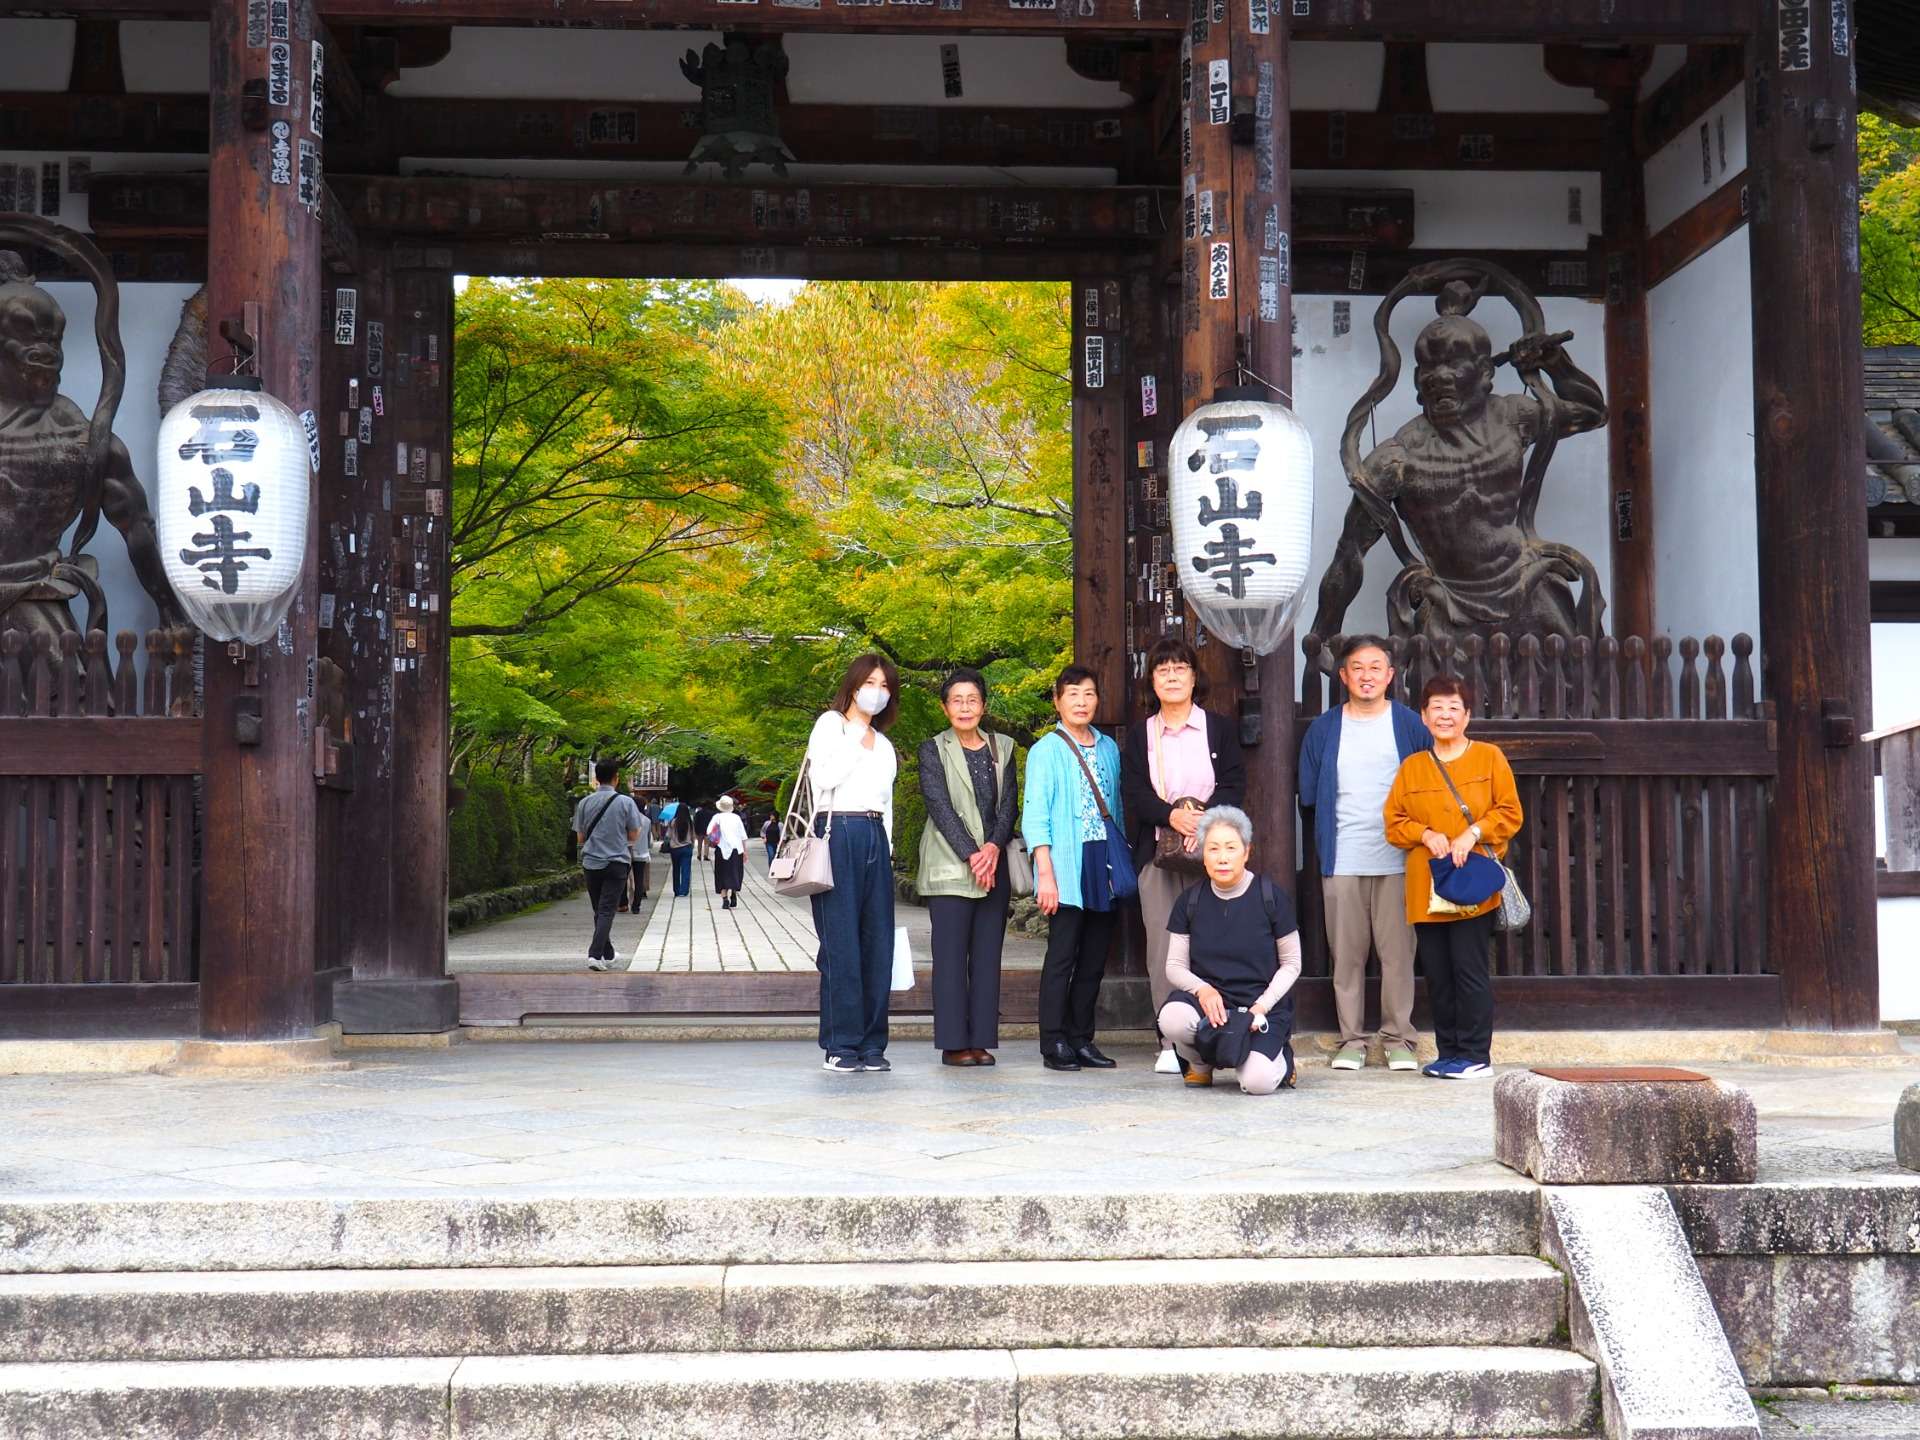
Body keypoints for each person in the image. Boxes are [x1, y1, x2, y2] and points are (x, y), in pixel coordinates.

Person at [1296, 634, 1433, 1073]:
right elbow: (1309, 794)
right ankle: (1351, 1039)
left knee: (1398, 956)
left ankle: (1399, 1039)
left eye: (1376, 667)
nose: (1367, 675)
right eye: (1358, 667)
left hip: (1399, 858)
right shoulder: (1324, 728)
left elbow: (1428, 785)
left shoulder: (1411, 725)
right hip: (1344, 856)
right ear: (1343, 676)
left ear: (1391, 675)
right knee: (1347, 955)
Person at [1384, 675, 1523, 1080]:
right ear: (1424, 718)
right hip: (1426, 882)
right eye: (1437, 709)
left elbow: (1510, 812)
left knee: (1469, 969)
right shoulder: (1413, 767)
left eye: (1453, 708)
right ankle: (1449, 1054)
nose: (1445, 716)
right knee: (1438, 974)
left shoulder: (1489, 758)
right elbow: (1394, 823)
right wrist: (1425, 834)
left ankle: (1476, 1054)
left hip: (1471, 881)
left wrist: (1472, 832)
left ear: (1467, 716)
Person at [1121, 635, 1246, 1076]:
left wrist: (1205, 824)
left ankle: (1218, 1031)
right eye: (1162, 669)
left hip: (1213, 858)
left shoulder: (1219, 728)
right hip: (1159, 855)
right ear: (1151, 681)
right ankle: (1170, 1039)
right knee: (1163, 947)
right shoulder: (1141, 735)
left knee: (1214, 944)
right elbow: (1134, 792)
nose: (1172, 676)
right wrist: (1172, 817)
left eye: (1180, 668)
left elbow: (1233, 783)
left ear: (1195, 677)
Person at [1022, 664, 1125, 1073]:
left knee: (1095, 958)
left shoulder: (1108, 748)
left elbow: (1115, 809)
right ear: (1057, 700)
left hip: (1103, 860)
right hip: (1065, 860)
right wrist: (1045, 874)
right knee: (1062, 955)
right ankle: (1053, 1042)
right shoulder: (1045, 750)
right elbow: (1035, 818)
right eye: (1072, 694)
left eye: (1089, 694)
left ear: (1097, 699)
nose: (1081, 702)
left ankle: (1082, 1038)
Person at [1156, 806, 1301, 1094]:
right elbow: (1174, 965)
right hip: (1212, 1004)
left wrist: (1263, 1005)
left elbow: (1292, 962)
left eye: (1231, 848)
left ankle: (1281, 1059)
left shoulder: (1270, 897)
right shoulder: (1190, 901)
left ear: (1246, 852)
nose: (1222, 857)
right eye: (1213, 848)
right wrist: (1203, 990)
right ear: (1202, 853)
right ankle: (1199, 1064)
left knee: (1257, 1084)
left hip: (1260, 1005)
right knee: (1172, 1017)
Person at [916, 667, 1018, 1067]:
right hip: (950, 865)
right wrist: (973, 854)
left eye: (971, 699)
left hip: (994, 864)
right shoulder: (932, 749)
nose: (964, 707)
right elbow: (938, 805)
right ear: (945, 707)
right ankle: (954, 1042)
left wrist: (993, 846)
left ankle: (981, 1040)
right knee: (951, 959)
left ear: (984, 705)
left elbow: (1008, 803)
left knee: (988, 956)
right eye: (956, 700)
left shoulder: (1003, 747)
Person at [805, 653, 901, 1075]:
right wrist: (855, 731)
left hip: (875, 836)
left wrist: (889, 848)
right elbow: (823, 779)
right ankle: (841, 1044)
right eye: (871, 683)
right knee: (841, 943)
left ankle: (872, 1043)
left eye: (885, 686)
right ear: (854, 684)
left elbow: (887, 802)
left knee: (878, 943)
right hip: (836, 832)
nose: (877, 692)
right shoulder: (831, 726)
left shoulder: (885, 744)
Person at [570, 759, 642, 972]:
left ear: (595, 778)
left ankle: (608, 953)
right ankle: (594, 954)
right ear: (616, 777)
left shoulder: (584, 803)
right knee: (606, 910)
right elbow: (634, 833)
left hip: (591, 862)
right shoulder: (626, 802)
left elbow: (580, 838)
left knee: (599, 909)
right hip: (617, 861)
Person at [708, 795, 749, 909]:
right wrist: (745, 851)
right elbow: (743, 836)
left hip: (721, 849)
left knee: (721, 873)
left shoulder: (717, 817)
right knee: (735, 872)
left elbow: (709, 831)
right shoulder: (736, 818)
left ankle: (725, 899)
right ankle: (734, 893)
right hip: (736, 849)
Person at [623, 781, 654, 913]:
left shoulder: (626, 818)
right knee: (639, 878)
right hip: (641, 853)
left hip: (627, 852)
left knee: (624, 878)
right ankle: (636, 905)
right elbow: (648, 840)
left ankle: (623, 902)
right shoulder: (647, 820)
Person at [664, 798, 696, 898]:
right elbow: (693, 836)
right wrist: (692, 845)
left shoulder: (672, 822)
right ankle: (684, 890)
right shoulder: (689, 822)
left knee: (676, 869)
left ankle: (676, 890)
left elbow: (668, 836)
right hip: (687, 847)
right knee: (686, 869)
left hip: (675, 848)